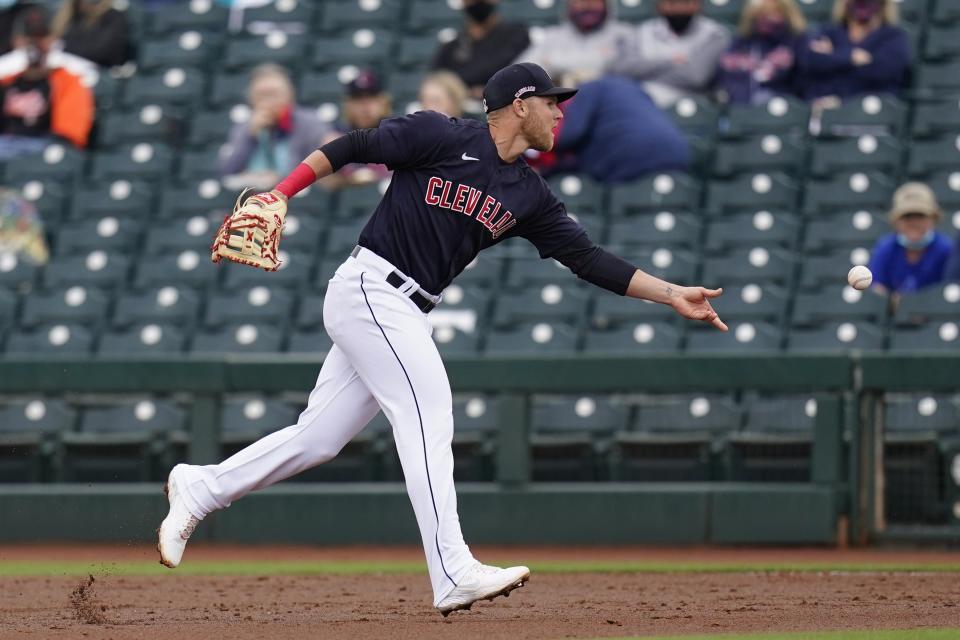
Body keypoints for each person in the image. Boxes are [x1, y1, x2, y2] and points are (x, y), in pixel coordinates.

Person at [157, 62, 727, 616]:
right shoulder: (439, 134)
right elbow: (354, 144)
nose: (560, 113)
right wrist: (281, 191)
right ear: (519, 105)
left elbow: (587, 258)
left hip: (403, 307)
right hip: (371, 288)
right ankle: (451, 569)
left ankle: (202, 488)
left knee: (318, 438)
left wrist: (671, 291)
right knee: (428, 412)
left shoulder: (527, 191)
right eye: (552, 102)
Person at [552, 76, 690, 182]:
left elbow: (568, 135)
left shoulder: (590, 88)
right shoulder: (635, 87)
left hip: (629, 156)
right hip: (677, 153)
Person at [0, 4, 95, 155]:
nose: (34, 43)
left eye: (41, 36)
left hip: (43, 149)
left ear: (52, 40)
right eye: (29, 37)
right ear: (17, 41)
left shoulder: (68, 81)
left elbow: (69, 136)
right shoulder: (6, 81)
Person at [219, 64, 329, 192]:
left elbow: (320, 170)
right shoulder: (244, 127)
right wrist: (250, 136)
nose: (269, 101)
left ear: (289, 95)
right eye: (262, 95)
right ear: (251, 98)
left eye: (274, 94)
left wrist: (280, 178)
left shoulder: (309, 123)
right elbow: (227, 171)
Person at [608, 0, 731, 108]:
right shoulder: (641, 32)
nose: (679, 9)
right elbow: (621, 70)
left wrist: (644, 71)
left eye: (686, 2)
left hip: (695, 109)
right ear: (660, 6)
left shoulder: (715, 34)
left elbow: (696, 78)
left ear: (697, 5)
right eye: (672, 3)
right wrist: (671, 61)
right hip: (644, 106)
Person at [795, 0, 910, 103]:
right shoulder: (828, 32)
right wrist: (850, 56)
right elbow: (810, 62)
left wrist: (833, 56)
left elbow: (884, 72)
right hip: (823, 110)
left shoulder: (893, 37)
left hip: (872, 113)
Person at [518, 0, 634, 88]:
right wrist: (600, 59)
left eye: (594, 1)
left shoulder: (624, 34)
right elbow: (522, 71)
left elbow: (629, 70)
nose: (587, 6)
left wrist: (553, 61)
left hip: (610, 100)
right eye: (581, 1)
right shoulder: (553, 35)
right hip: (563, 105)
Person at [868, 182, 952, 296]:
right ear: (896, 221)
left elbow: (950, 292)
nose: (914, 222)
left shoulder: (946, 250)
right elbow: (878, 288)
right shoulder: (885, 248)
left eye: (920, 216)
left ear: (933, 218)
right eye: (907, 216)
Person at [716, 0, 807, 105]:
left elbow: (803, 82)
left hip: (785, 108)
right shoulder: (741, 42)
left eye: (774, 12)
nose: (768, 18)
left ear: (787, 13)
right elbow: (726, 77)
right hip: (743, 107)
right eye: (762, 14)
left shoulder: (798, 41)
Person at [432, 0, 529, 97]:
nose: (478, 2)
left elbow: (522, 74)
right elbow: (437, 81)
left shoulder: (517, 35)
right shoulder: (451, 48)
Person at [319, 69, 393, 188]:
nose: (365, 106)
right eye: (358, 99)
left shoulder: (398, 132)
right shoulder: (337, 137)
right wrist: (347, 180)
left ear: (383, 102)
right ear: (348, 105)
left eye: (371, 98)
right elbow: (324, 184)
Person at [51, 0, 129, 68]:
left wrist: (62, 46)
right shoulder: (74, 14)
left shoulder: (114, 18)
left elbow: (100, 52)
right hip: (65, 65)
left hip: (99, 73)